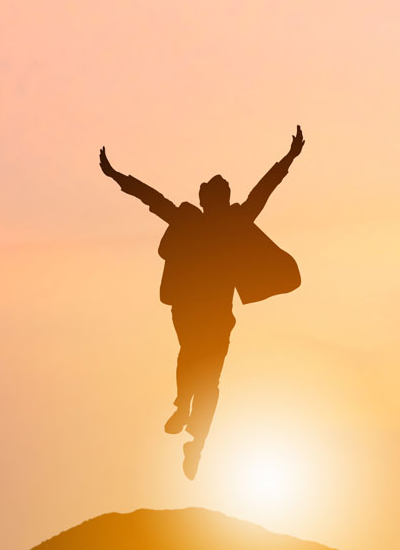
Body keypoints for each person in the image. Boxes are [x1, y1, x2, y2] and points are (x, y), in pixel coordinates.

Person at [99, 126, 304, 479]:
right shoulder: (204, 220)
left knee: (201, 372)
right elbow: (154, 199)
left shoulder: (219, 220)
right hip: (196, 311)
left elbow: (263, 189)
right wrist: (117, 176)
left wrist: (288, 158)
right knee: (199, 370)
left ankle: (194, 439)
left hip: (211, 315)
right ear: (211, 199)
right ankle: (186, 416)